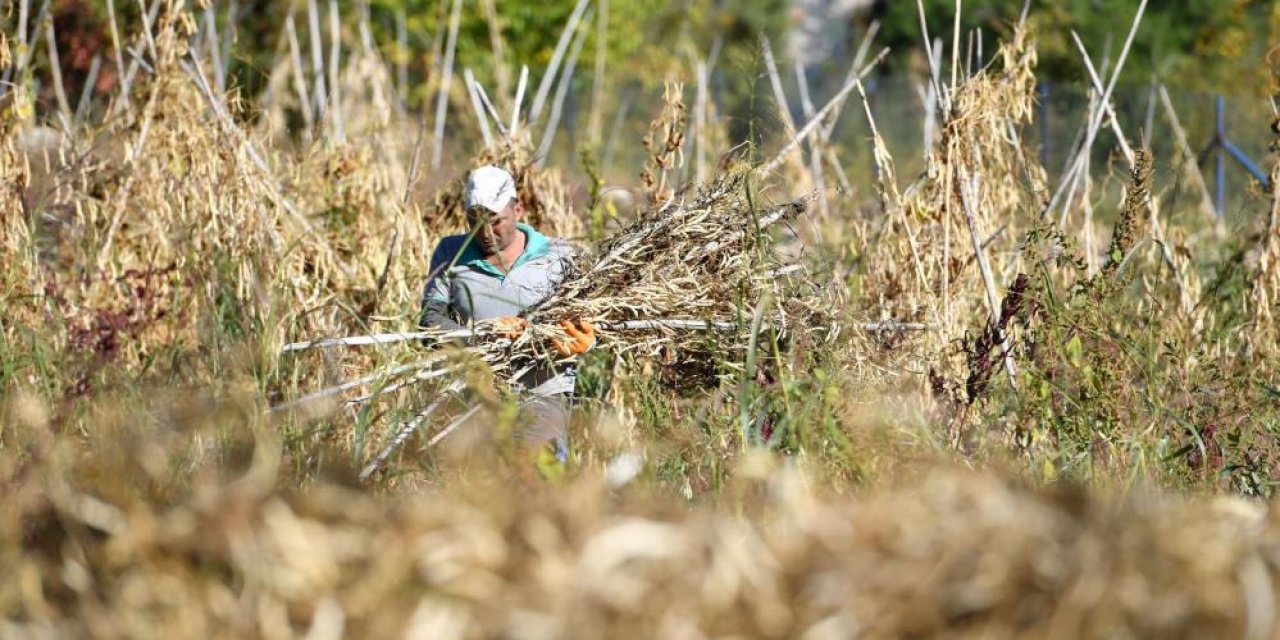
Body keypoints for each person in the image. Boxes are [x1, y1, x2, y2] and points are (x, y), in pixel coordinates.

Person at [419, 165, 594, 463]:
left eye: (496, 222)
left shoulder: (560, 255)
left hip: (543, 393)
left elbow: (594, 318)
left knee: (537, 482)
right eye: (474, 222)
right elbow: (429, 323)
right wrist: (484, 336)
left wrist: (587, 339)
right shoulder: (450, 253)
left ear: (519, 209)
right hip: (478, 396)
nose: (485, 233)